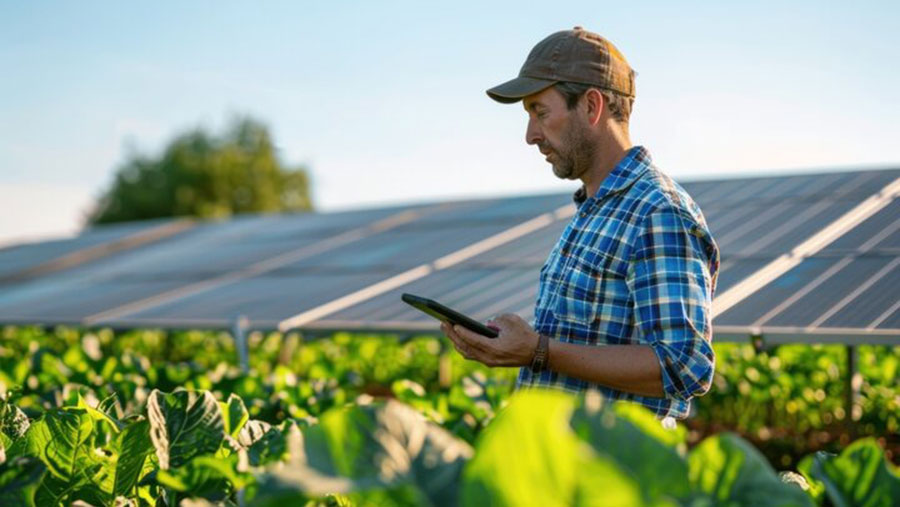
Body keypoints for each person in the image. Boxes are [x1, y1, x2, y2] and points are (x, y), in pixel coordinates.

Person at [440, 27, 720, 419]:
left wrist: (540, 350)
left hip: (611, 474)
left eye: (540, 112)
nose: (530, 135)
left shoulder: (658, 212)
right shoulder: (595, 210)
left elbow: (684, 365)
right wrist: (521, 346)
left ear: (591, 106)